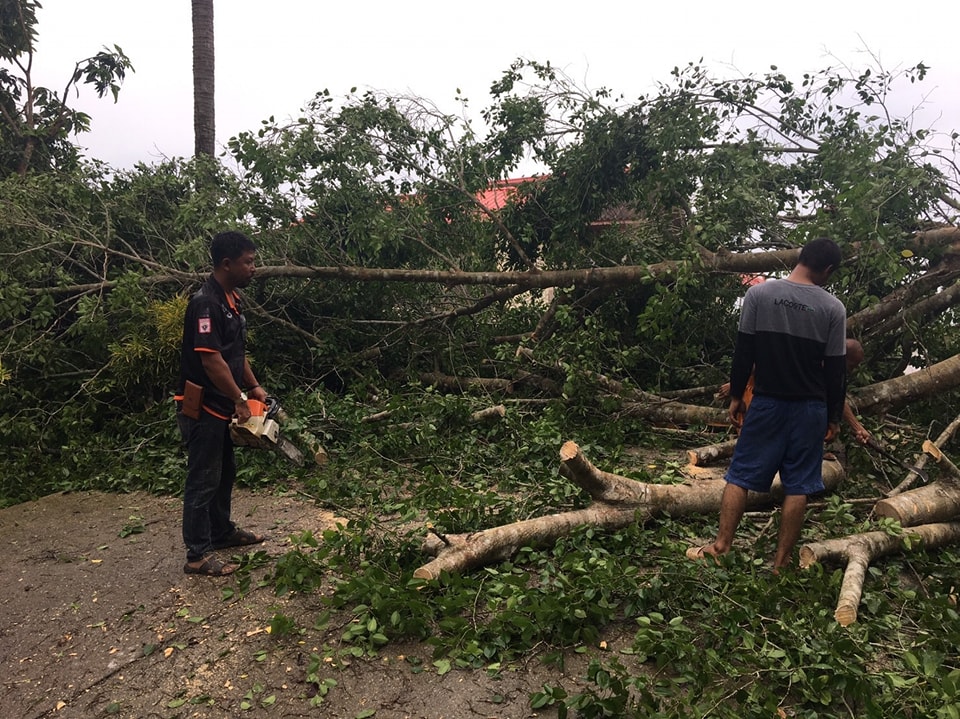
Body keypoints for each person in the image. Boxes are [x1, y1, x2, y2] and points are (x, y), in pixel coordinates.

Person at [688, 237, 847, 571]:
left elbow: (744, 351)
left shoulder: (760, 294)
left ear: (801, 258)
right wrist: (833, 416)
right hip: (810, 409)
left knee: (740, 476)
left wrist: (736, 397)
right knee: (799, 485)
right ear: (828, 269)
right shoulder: (833, 309)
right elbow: (835, 370)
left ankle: (721, 547)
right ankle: (780, 563)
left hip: (768, 403)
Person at [175, 231, 268, 576]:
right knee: (203, 477)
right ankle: (197, 554)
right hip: (203, 407)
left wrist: (254, 386)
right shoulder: (206, 303)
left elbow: (233, 352)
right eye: (248, 261)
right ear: (226, 264)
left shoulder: (232, 299)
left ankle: (221, 531)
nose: (253, 268)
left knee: (225, 472)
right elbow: (211, 359)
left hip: (222, 404)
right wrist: (238, 398)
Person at [718, 337, 872, 446]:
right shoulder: (814, 352)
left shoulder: (830, 371)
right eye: (852, 365)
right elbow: (767, 361)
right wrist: (736, 384)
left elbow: (837, 399)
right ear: (843, 357)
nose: (852, 371)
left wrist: (857, 427)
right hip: (762, 395)